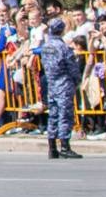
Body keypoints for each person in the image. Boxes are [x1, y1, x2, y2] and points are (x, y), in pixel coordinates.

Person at [33, 17, 84, 159]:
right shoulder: (63, 47)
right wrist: (77, 80)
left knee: (53, 115)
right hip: (63, 83)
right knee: (65, 115)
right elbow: (72, 67)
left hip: (51, 84)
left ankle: (52, 147)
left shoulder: (46, 47)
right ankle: (65, 146)